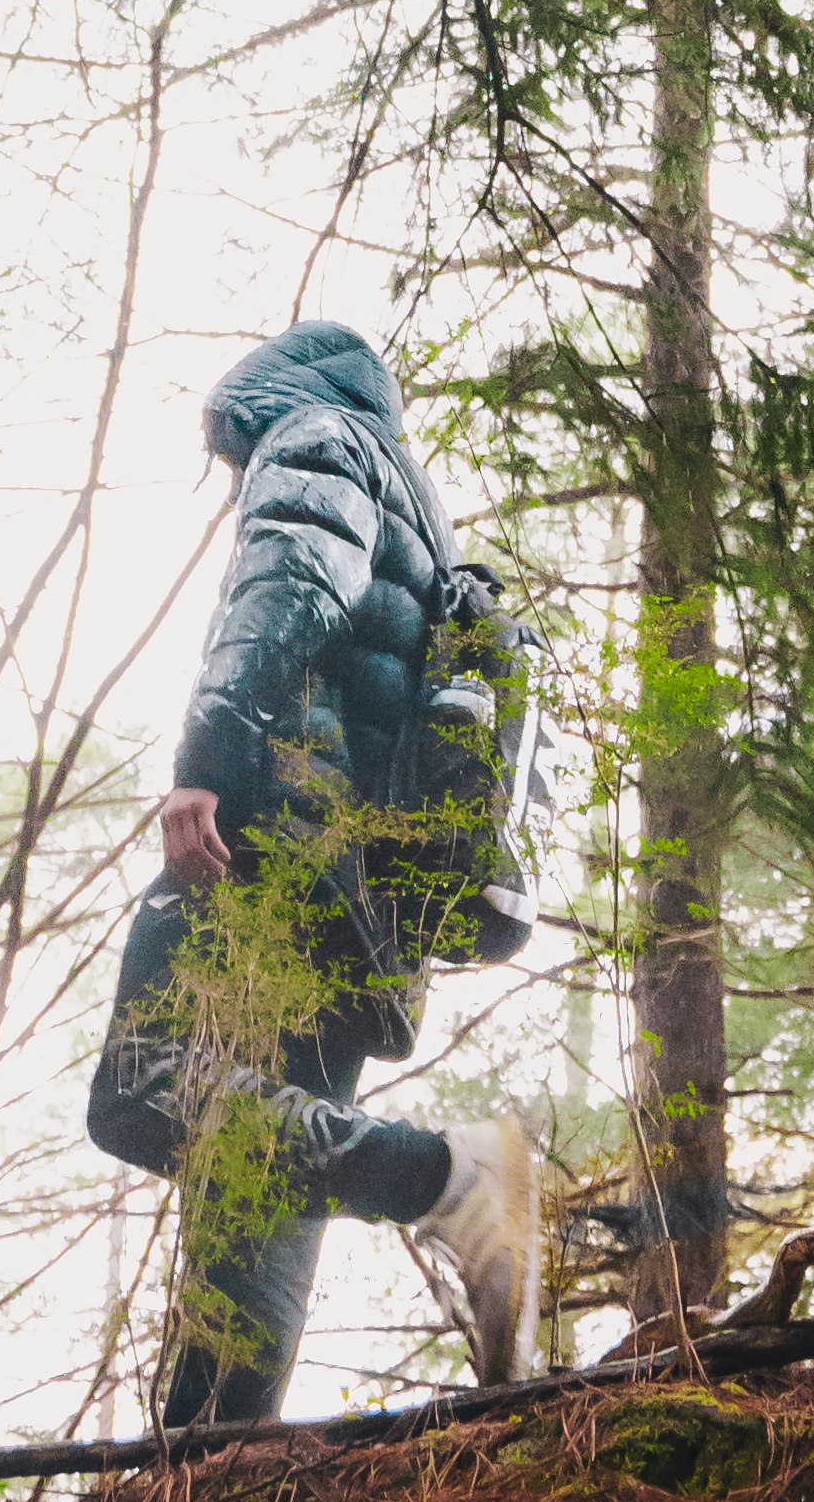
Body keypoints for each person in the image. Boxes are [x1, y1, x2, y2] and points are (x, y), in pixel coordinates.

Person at [85, 317, 545, 1423]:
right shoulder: (424, 523)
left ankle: (442, 1175)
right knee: (263, 1172)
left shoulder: (316, 435)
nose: (236, 472)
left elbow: (289, 576)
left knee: (139, 1088)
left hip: (281, 853)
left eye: (230, 452)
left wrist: (207, 760)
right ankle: (214, 1468)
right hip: (374, 912)